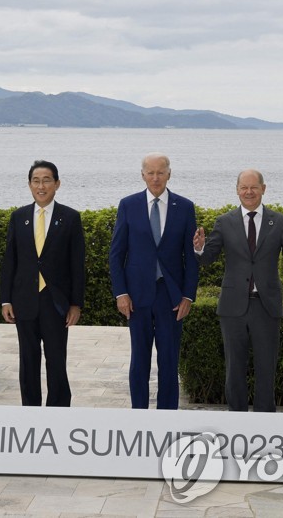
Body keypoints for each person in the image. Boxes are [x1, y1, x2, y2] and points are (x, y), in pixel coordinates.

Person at [193, 169, 283, 412]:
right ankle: (237, 421)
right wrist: (200, 249)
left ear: (263, 189)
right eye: (244, 187)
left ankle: (264, 421)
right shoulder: (224, 222)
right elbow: (208, 257)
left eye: (254, 187)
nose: (249, 192)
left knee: (267, 368)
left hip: (266, 306)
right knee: (234, 368)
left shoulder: (280, 221)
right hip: (233, 307)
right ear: (237, 190)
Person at [109, 153, 198, 409]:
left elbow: (191, 258)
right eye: (150, 172)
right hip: (136, 297)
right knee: (140, 360)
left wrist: (188, 295)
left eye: (161, 172)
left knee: (169, 360)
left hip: (171, 297)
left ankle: (166, 416)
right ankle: (139, 414)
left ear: (169, 173)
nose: (156, 178)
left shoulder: (185, 207)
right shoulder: (128, 205)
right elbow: (116, 254)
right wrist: (121, 293)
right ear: (142, 174)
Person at [0, 160, 86, 407]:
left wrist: (75, 304)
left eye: (46, 180)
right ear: (29, 185)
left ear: (57, 184)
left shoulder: (70, 218)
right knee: (28, 360)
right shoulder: (19, 217)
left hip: (55, 301)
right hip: (24, 300)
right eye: (36, 181)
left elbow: (77, 265)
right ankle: (30, 410)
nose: (41, 185)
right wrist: (6, 299)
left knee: (56, 360)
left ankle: (58, 410)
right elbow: (10, 261)